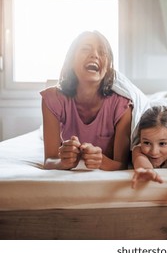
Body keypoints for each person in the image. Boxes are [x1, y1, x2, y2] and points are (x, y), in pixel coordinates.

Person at [40, 30, 132, 171]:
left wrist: (101, 161)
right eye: (85, 49)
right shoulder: (52, 99)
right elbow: (49, 160)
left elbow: (121, 164)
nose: (94, 55)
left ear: (108, 68)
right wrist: (63, 162)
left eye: (102, 52)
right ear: (71, 61)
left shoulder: (122, 105)